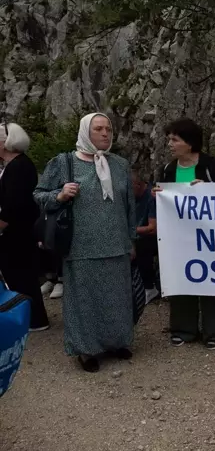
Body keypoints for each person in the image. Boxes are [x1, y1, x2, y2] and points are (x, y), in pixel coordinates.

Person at [34, 113, 136, 372]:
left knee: (117, 298)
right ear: (85, 133)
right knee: (85, 300)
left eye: (109, 129)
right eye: (98, 129)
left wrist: (131, 238)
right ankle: (86, 349)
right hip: (81, 246)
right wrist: (60, 195)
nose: (105, 134)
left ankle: (117, 341)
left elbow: (129, 206)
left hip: (116, 244)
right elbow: (38, 194)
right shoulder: (64, 163)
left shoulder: (120, 165)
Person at [155, 118, 215, 350]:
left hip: (211, 239)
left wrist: (210, 190)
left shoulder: (213, 167)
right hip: (179, 238)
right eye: (169, 139)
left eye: (174, 139)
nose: (169, 144)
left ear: (189, 143)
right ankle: (183, 329)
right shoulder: (168, 170)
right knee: (181, 279)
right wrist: (158, 196)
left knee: (214, 280)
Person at [0, 122, 49, 331]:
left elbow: (13, 204)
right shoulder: (16, 165)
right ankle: (31, 316)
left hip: (18, 232)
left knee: (22, 275)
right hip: (18, 230)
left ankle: (34, 319)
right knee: (18, 275)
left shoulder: (19, 167)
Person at [132, 168, 159, 304]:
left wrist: (129, 230)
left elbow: (153, 228)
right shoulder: (130, 198)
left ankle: (149, 288)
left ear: (138, 184)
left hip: (157, 238)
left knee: (142, 246)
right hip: (134, 235)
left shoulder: (151, 196)